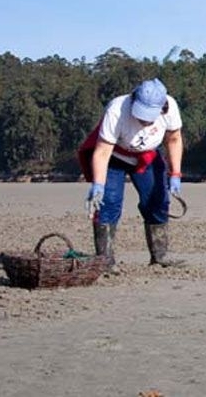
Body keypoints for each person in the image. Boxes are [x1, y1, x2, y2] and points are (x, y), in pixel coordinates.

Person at [77, 78, 185, 267]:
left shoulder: (171, 107)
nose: (144, 120)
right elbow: (102, 151)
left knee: (158, 201)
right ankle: (105, 261)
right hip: (114, 157)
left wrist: (175, 174)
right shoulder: (117, 109)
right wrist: (98, 185)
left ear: (162, 108)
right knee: (108, 203)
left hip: (147, 156)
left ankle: (159, 257)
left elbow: (174, 140)